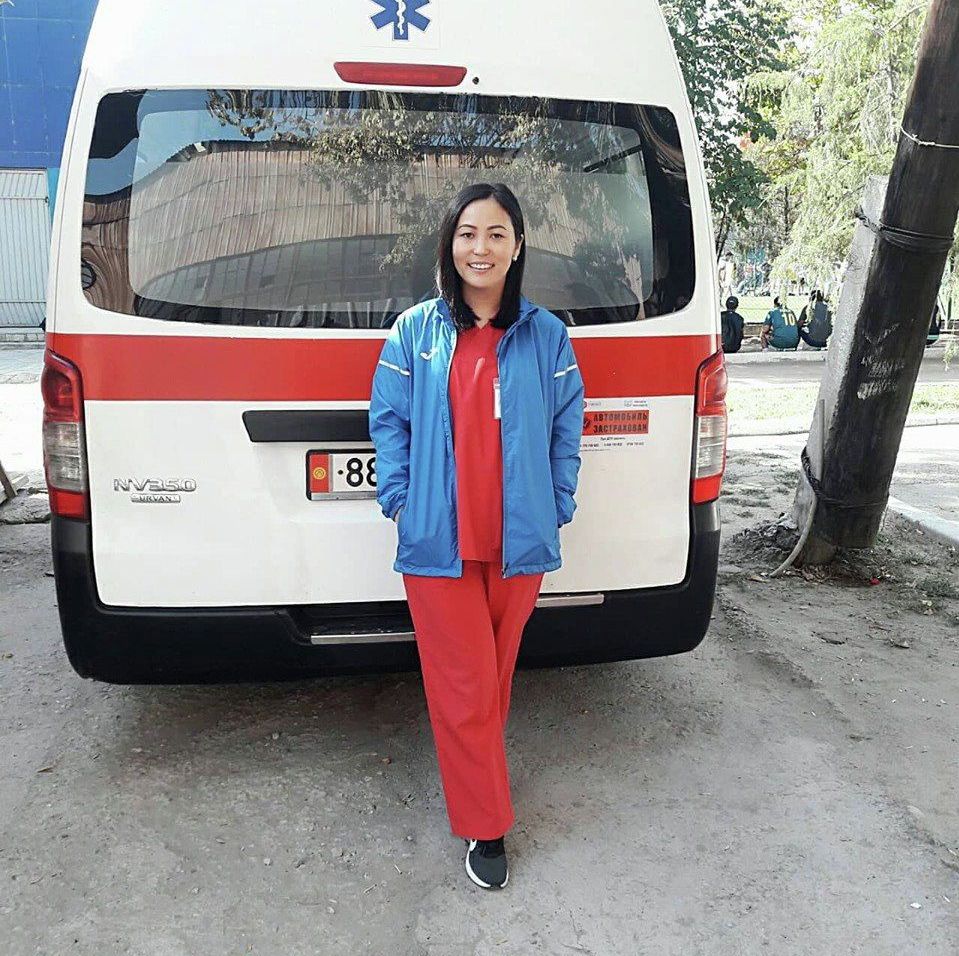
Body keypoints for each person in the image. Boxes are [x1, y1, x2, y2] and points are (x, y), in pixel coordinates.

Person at [369, 182, 585, 891]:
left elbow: (567, 423)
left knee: (490, 680)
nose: (480, 248)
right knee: (464, 687)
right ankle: (486, 825)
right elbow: (387, 419)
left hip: (519, 542)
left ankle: (477, 786)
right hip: (438, 543)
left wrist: (557, 500)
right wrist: (401, 500)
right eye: (467, 234)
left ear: (517, 246)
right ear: (449, 245)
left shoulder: (546, 336)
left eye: (495, 234)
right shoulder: (415, 333)